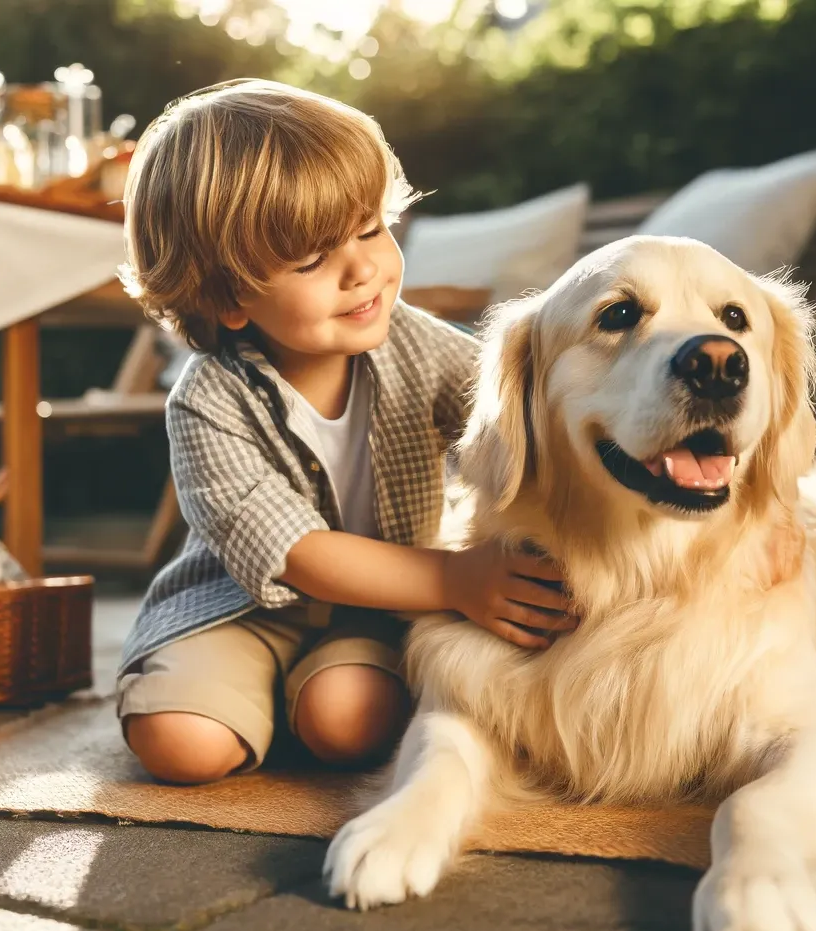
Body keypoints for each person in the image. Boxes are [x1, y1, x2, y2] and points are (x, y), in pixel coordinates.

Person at [113, 79, 578, 785]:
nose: (363, 270)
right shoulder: (205, 402)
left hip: (378, 614)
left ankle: (290, 704)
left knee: (344, 722)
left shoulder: (421, 347)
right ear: (227, 299)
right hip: (236, 611)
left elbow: (521, 416)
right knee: (181, 746)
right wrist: (455, 577)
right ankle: (241, 699)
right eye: (312, 260)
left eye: (370, 229)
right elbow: (296, 553)